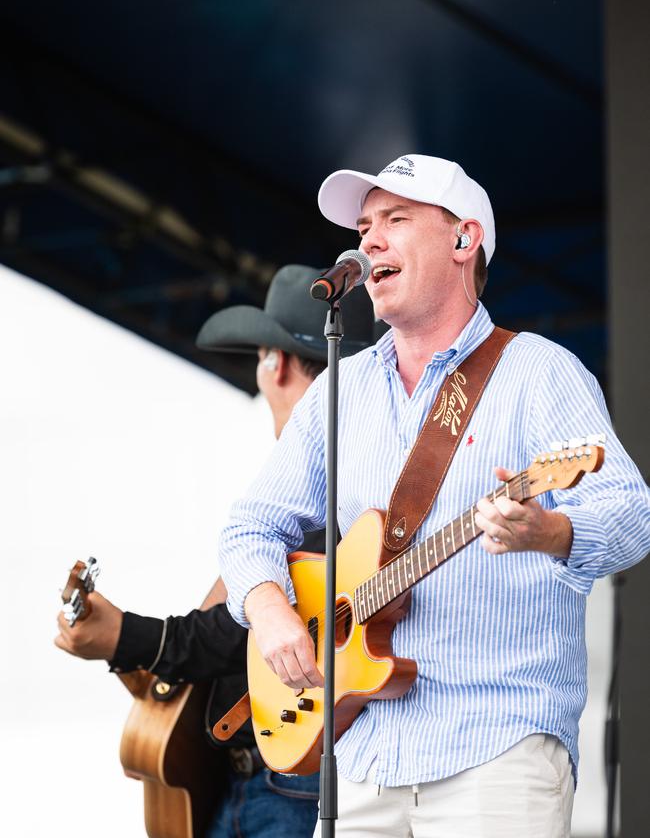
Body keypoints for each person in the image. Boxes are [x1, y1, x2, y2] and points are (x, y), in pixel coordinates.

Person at [218, 154, 650, 838]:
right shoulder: (339, 387)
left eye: (396, 219)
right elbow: (250, 529)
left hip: (497, 750)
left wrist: (549, 532)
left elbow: (631, 512)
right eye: (364, 226)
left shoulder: (538, 373)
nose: (369, 241)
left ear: (462, 240)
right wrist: (270, 611)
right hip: (361, 758)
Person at [55, 263, 377, 838]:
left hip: (292, 781)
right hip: (261, 776)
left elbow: (248, 633)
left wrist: (128, 636)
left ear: (273, 363)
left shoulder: (342, 483)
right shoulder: (342, 475)